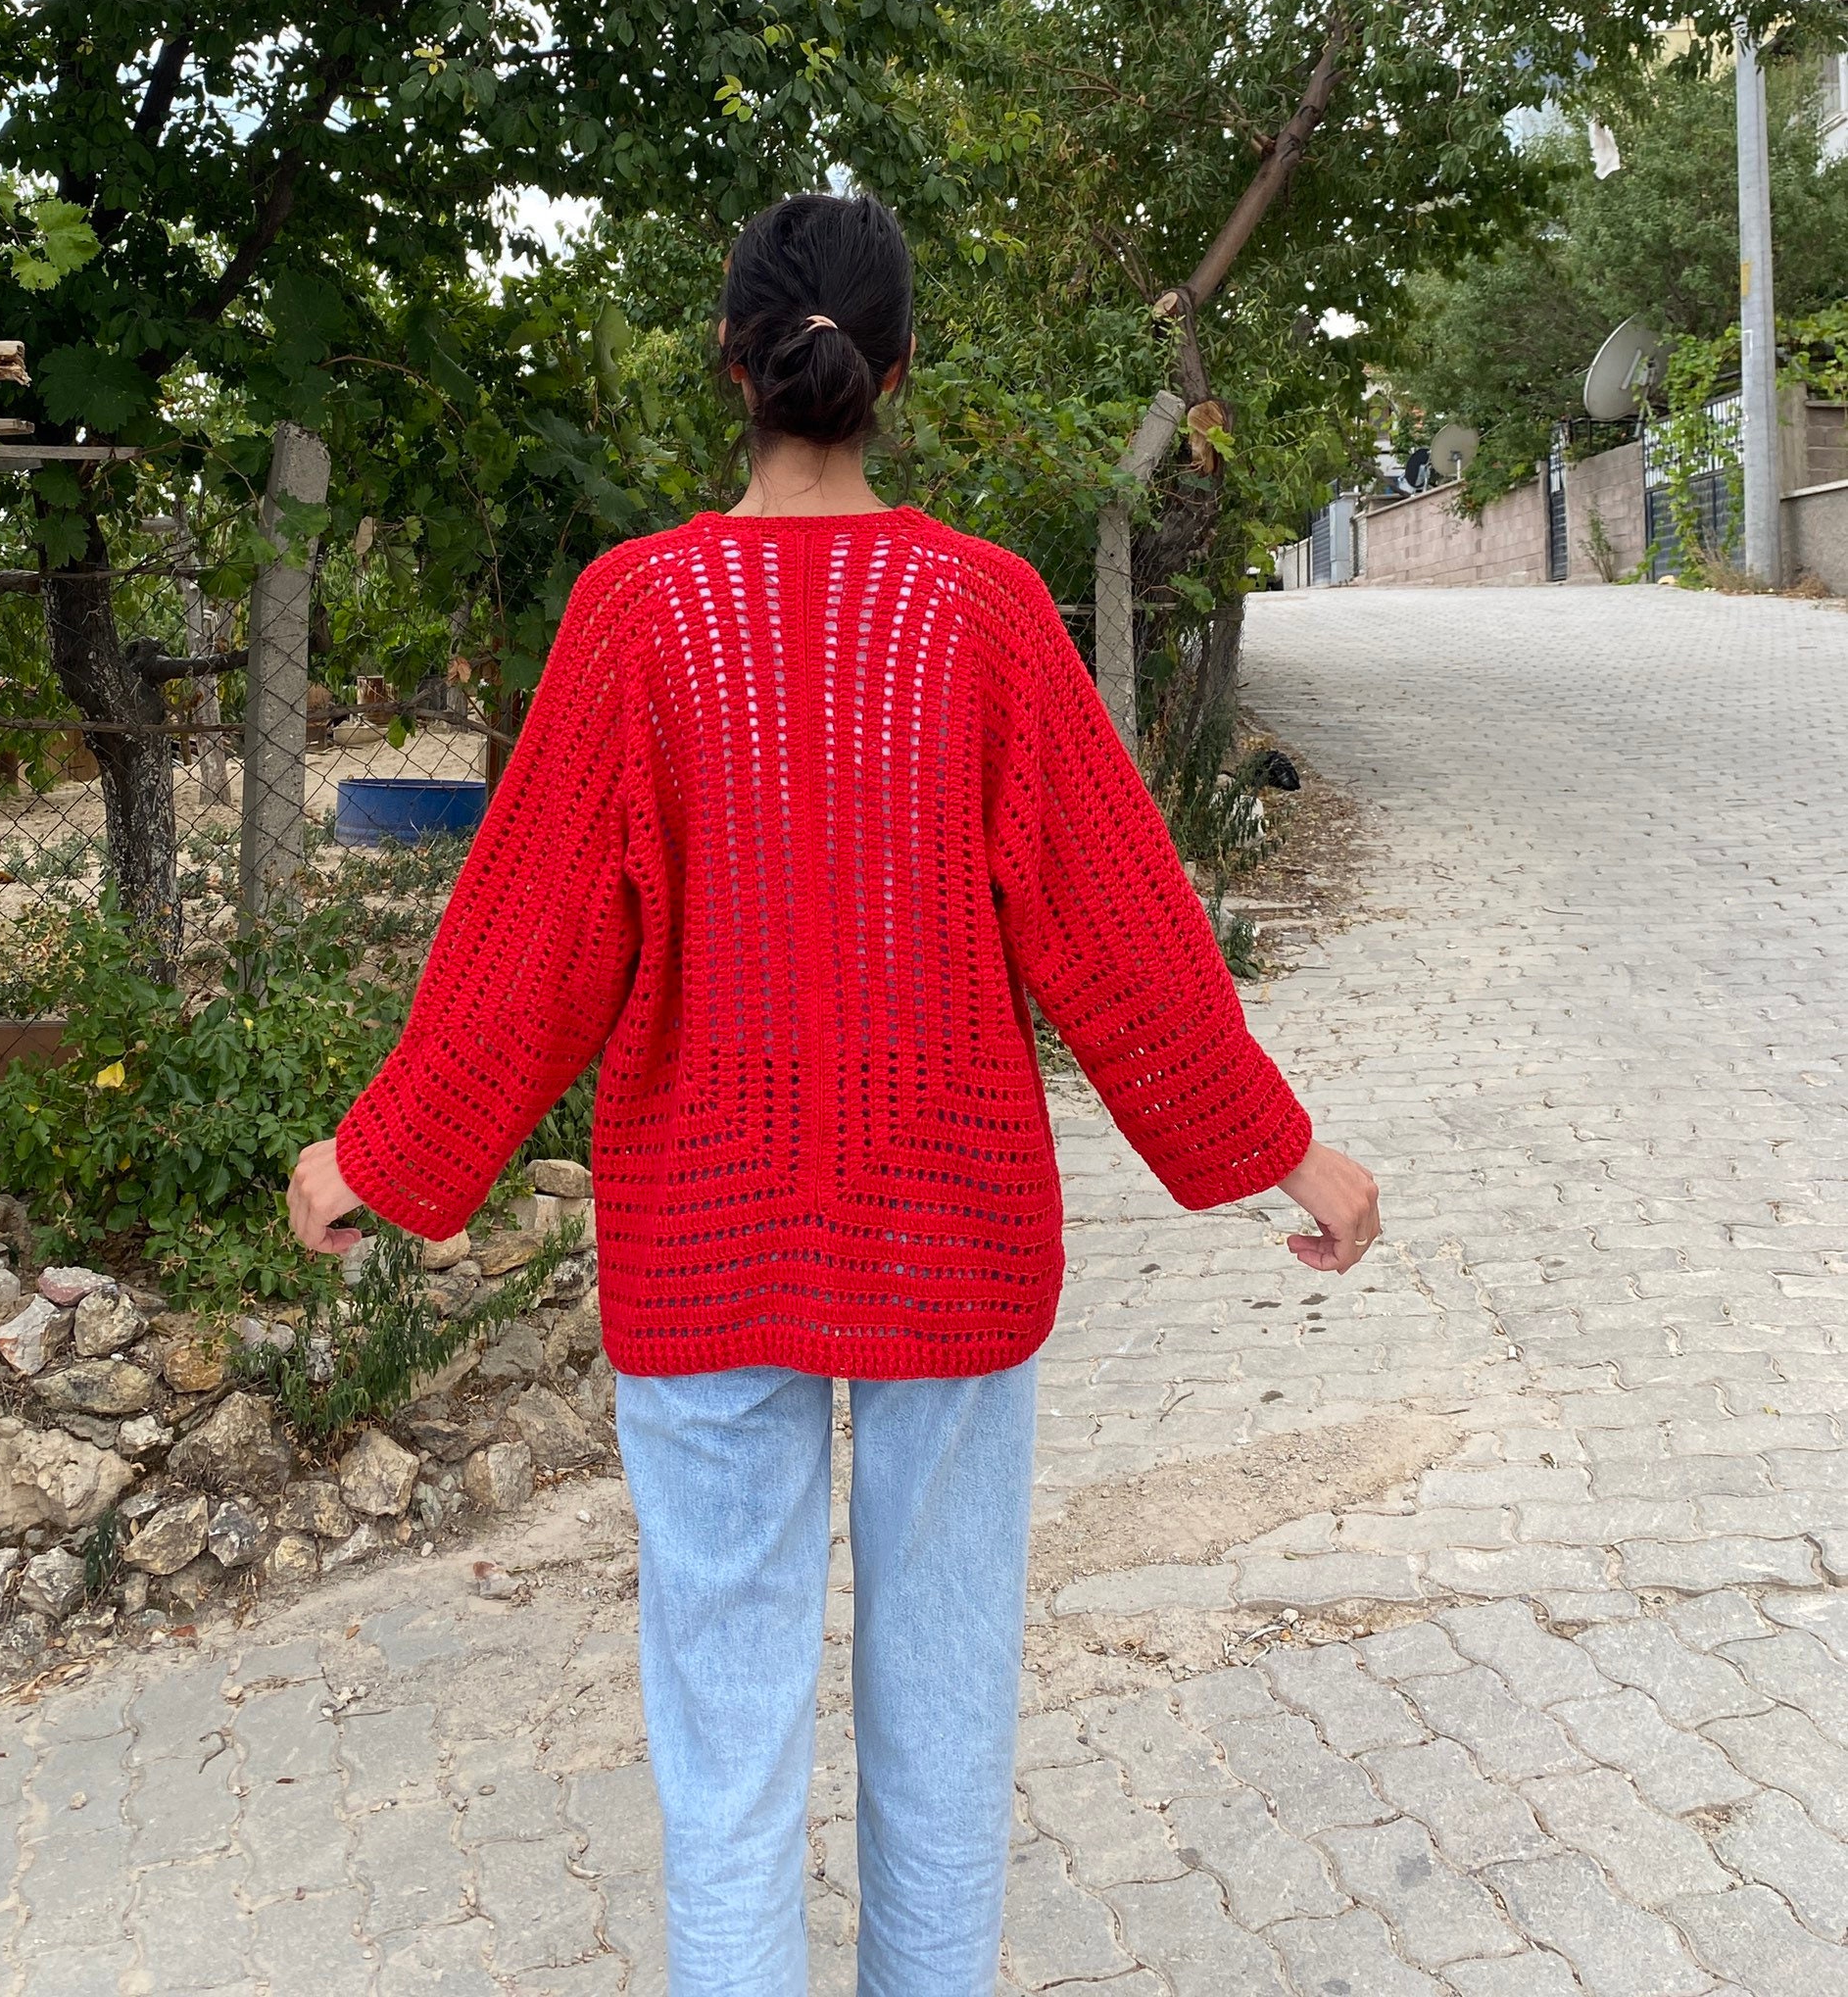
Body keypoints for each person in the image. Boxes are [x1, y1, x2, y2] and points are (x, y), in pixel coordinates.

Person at [290, 190, 1380, 1997]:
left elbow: (532, 945)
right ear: (897, 371)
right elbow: (1118, 936)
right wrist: (1290, 1156)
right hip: (949, 1235)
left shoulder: (635, 614)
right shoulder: (989, 612)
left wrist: (375, 1157)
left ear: (732, 366)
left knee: (725, 1745)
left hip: (701, 1244)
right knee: (944, 1710)